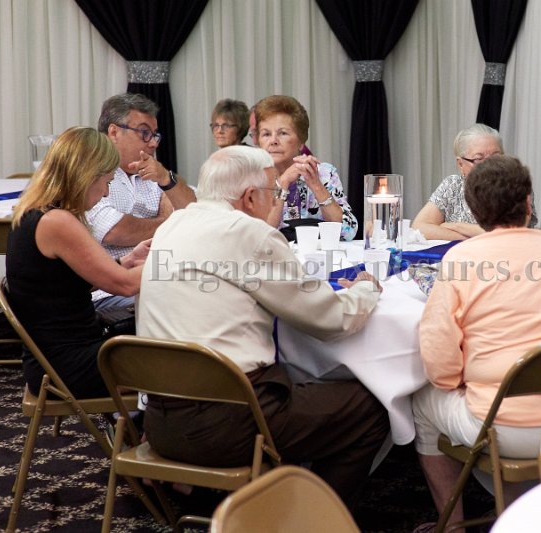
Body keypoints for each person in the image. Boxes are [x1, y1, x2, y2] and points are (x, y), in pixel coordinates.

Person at [137, 145, 389, 507]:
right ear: (250, 196)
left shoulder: (173, 225)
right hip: (230, 423)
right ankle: (314, 517)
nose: (277, 200)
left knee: (296, 383)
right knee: (371, 405)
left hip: (159, 423)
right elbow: (331, 320)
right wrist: (366, 289)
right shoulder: (247, 232)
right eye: (275, 191)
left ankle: (260, 497)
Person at [412, 155, 541, 527]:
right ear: (528, 202)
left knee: (422, 398)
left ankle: (452, 525)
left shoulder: (460, 259)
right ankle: (524, 507)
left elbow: (439, 362)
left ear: (474, 211)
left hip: (508, 429)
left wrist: (459, 384)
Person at [5, 127, 150, 399]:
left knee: (166, 353)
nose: (106, 193)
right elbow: (126, 286)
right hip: (67, 365)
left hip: (54, 358)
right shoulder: (57, 222)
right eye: (107, 182)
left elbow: (61, 285)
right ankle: (150, 423)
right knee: (178, 367)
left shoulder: (35, 212)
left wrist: (126, 261)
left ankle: (142, 420)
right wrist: (177, 262)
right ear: (87, 176)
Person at [86, 93, 195, 310]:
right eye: (144, 133)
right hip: (110, 290)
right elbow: (116, 231)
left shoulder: (153, 171)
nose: (153, 143)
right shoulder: (92, 173)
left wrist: (166, 179)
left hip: (160, 278)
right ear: (114, 132)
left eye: (155, 135)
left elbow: (193, 213)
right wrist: (171, 221)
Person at [254, 95, 356, 240]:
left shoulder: (324, 173)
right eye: (266, 134)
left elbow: (348, 231)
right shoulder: (252, 179)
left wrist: (316, 184)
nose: (273, 141)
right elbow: (258, 236)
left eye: (283, 133)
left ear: (301, 141)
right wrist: (283, 183)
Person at [412, 124, 538, 241]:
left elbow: (509, 234)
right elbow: (419, 227)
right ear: (461, 164)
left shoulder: (515, 184)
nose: (490, 165)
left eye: (496, 157)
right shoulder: (453, 185)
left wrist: (456, 226)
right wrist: (473, 238)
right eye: (479, 159)